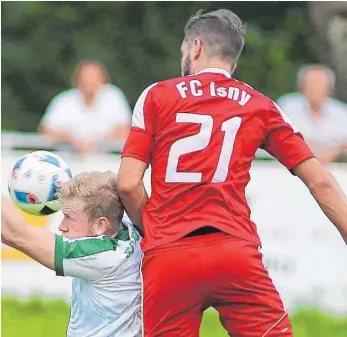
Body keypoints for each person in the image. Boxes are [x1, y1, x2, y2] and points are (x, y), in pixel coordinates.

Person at [117, 9, 347, 337]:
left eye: (184, 50)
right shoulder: (260, 105)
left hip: (169, 256)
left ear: (195, 47)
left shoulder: (156, 95)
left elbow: (127, 184)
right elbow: (319, 178)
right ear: (233, 62)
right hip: (233, 252)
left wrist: (152, 227)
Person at [1, 171, 142, 337]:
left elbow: (13, 235)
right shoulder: (130, 228)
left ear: (100, 225)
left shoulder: (100, 255)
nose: (61, 226)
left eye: (69, 217)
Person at [38, 60, 132, 154]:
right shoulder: (64, 100)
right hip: (69, 161)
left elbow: (124, 131)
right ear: (77, 79)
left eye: (93, 76)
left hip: (106, 162)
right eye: (85, 77)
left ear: (103, 79)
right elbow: (46, 131)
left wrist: (95, 143)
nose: (88, 80)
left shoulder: (113, 96)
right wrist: (72, 140)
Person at [277, 65, 347, 165]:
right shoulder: (287, 106)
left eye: (319, 85)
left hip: (334, 170)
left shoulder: (342, 113)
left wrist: (336, 151)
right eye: (309, 84)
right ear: (301, 87)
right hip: (288, 168)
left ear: (329, 89)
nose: (313, 89)